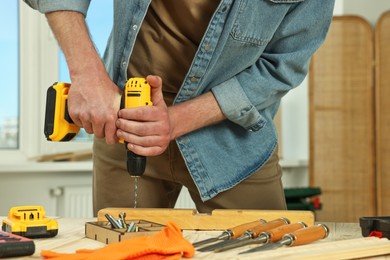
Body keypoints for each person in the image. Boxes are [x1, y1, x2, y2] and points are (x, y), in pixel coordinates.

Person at [24, 0, 335, 216]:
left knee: (266, 251)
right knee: (121, 251)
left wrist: (175, 121)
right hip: (126, 129)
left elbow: (282, 66)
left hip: (233, 144)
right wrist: (87, 76)